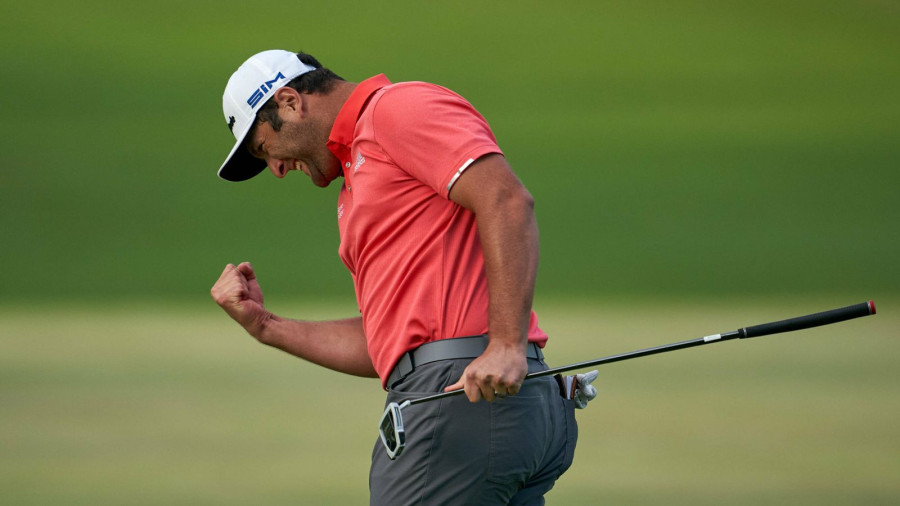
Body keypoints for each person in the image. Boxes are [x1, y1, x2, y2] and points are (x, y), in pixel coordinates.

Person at [210, 49, 591, 505]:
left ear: (289, 102)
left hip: (464, 398)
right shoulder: (356, 181)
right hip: (488, 399)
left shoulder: (394, 110)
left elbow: (505, 199)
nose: (275, 168)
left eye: (264, 147)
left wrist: (507, 344)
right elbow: (389, 347)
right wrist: (265, 326)